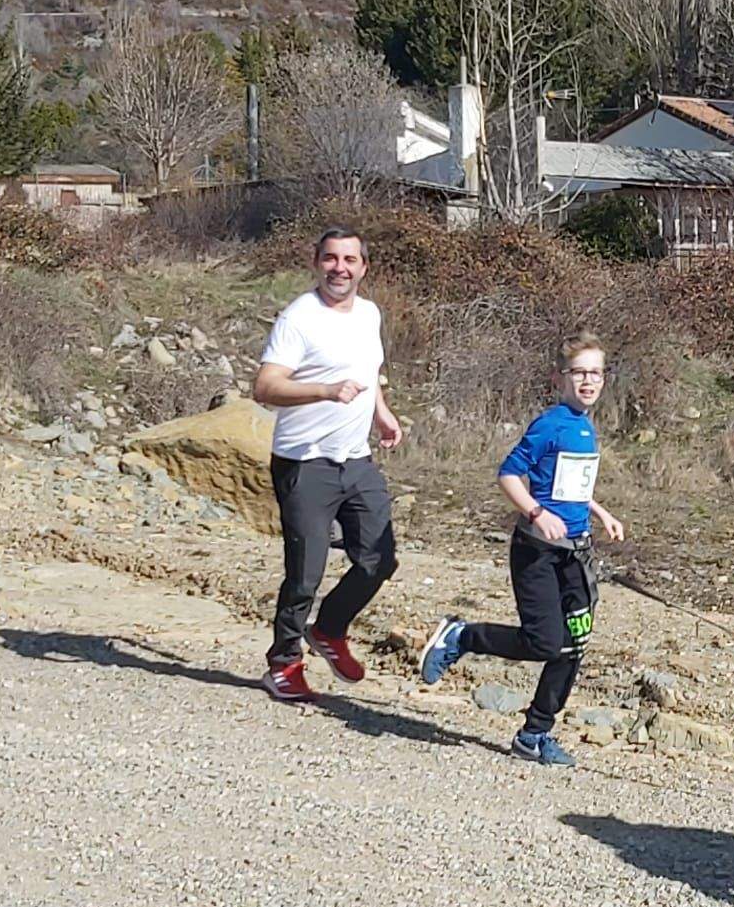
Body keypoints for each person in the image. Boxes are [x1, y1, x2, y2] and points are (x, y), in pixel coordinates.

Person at [416, 332, 624, 766]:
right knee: (545, 643)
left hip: (575, 553)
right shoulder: (551, 424)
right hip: (537, 551)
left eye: (596, 373)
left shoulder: (585, 426)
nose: (589, 381)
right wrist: (535, 512)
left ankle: (534, 734)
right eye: (579, 373)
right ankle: (462, 636)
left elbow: (571, 486)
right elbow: (509, 474)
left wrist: (601, 512)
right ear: (559, 378)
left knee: (575, 644)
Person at [251, 227, 403, 700]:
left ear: (364, 267)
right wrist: (324, 390)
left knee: (379, 558)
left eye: (350, 260)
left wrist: (381, 413)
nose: (340, 268)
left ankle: (330, 629)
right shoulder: (300, 317)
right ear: (316, 263)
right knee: (305, 573)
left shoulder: (369, 314)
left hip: (355, 460)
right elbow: (265, 387)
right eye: (331, 259)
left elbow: (367, 372)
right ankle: (283, 664)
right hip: (304, 462)